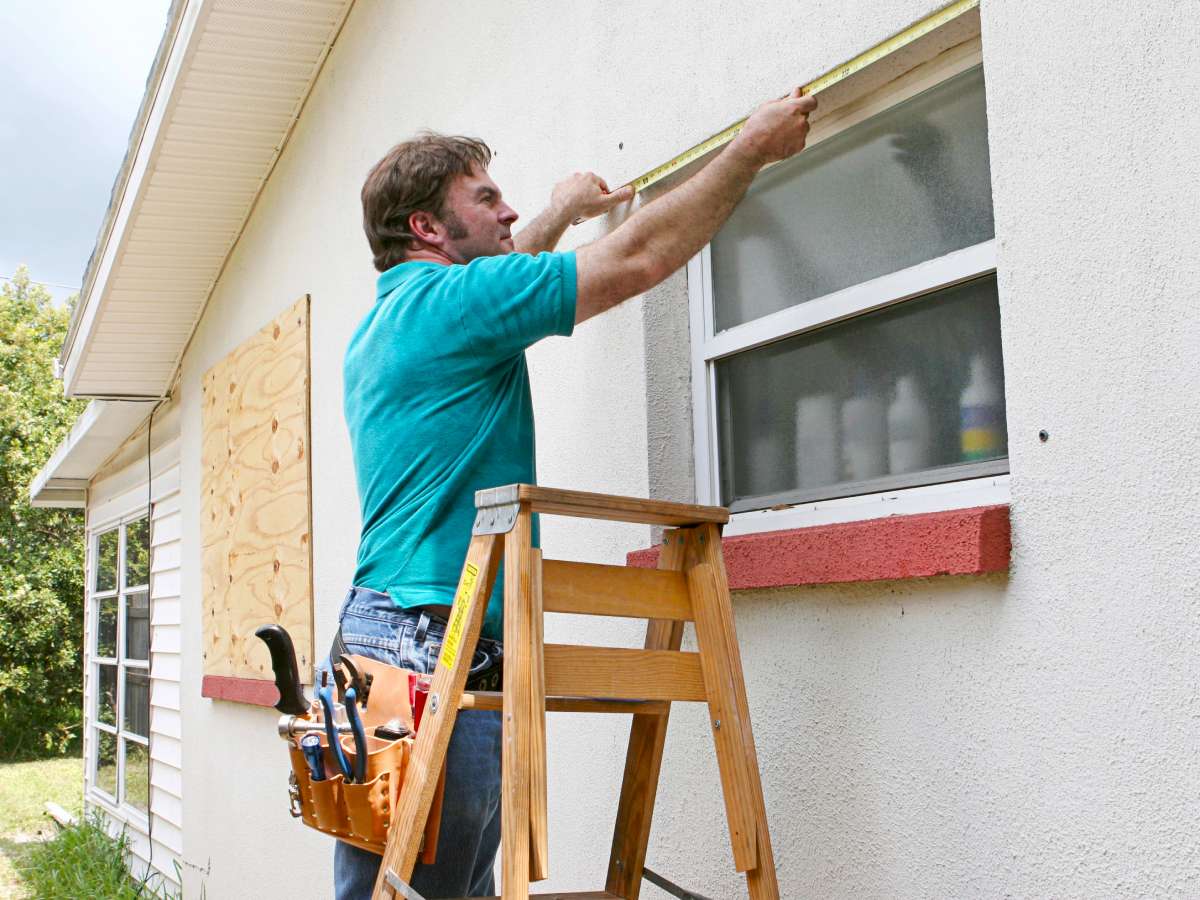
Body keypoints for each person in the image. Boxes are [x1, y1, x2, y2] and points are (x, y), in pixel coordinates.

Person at [335, 87, 818, 899]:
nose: (507, 210)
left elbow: (509, 267)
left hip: (382, 637)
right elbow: (636, 260)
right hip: (434, 643)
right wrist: (748, 150)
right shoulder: (457, 305)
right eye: (484, 198)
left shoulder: (389, 320)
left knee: (404, 888)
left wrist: (560, 209)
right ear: (426, 228)